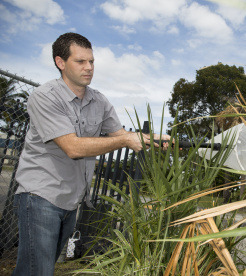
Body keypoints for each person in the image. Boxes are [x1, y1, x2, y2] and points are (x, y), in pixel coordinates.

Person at [12, 32, 170, 275]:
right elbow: (73, 147)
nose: (89, 68)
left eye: (92, 62)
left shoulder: (99, 101)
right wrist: (127, 140)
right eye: (80, 61)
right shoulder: (45, 96)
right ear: (60, 62)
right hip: (40, 195)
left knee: (36, 269)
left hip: (70, 199)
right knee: (37, 271)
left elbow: (119, 134)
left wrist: (155, 139)